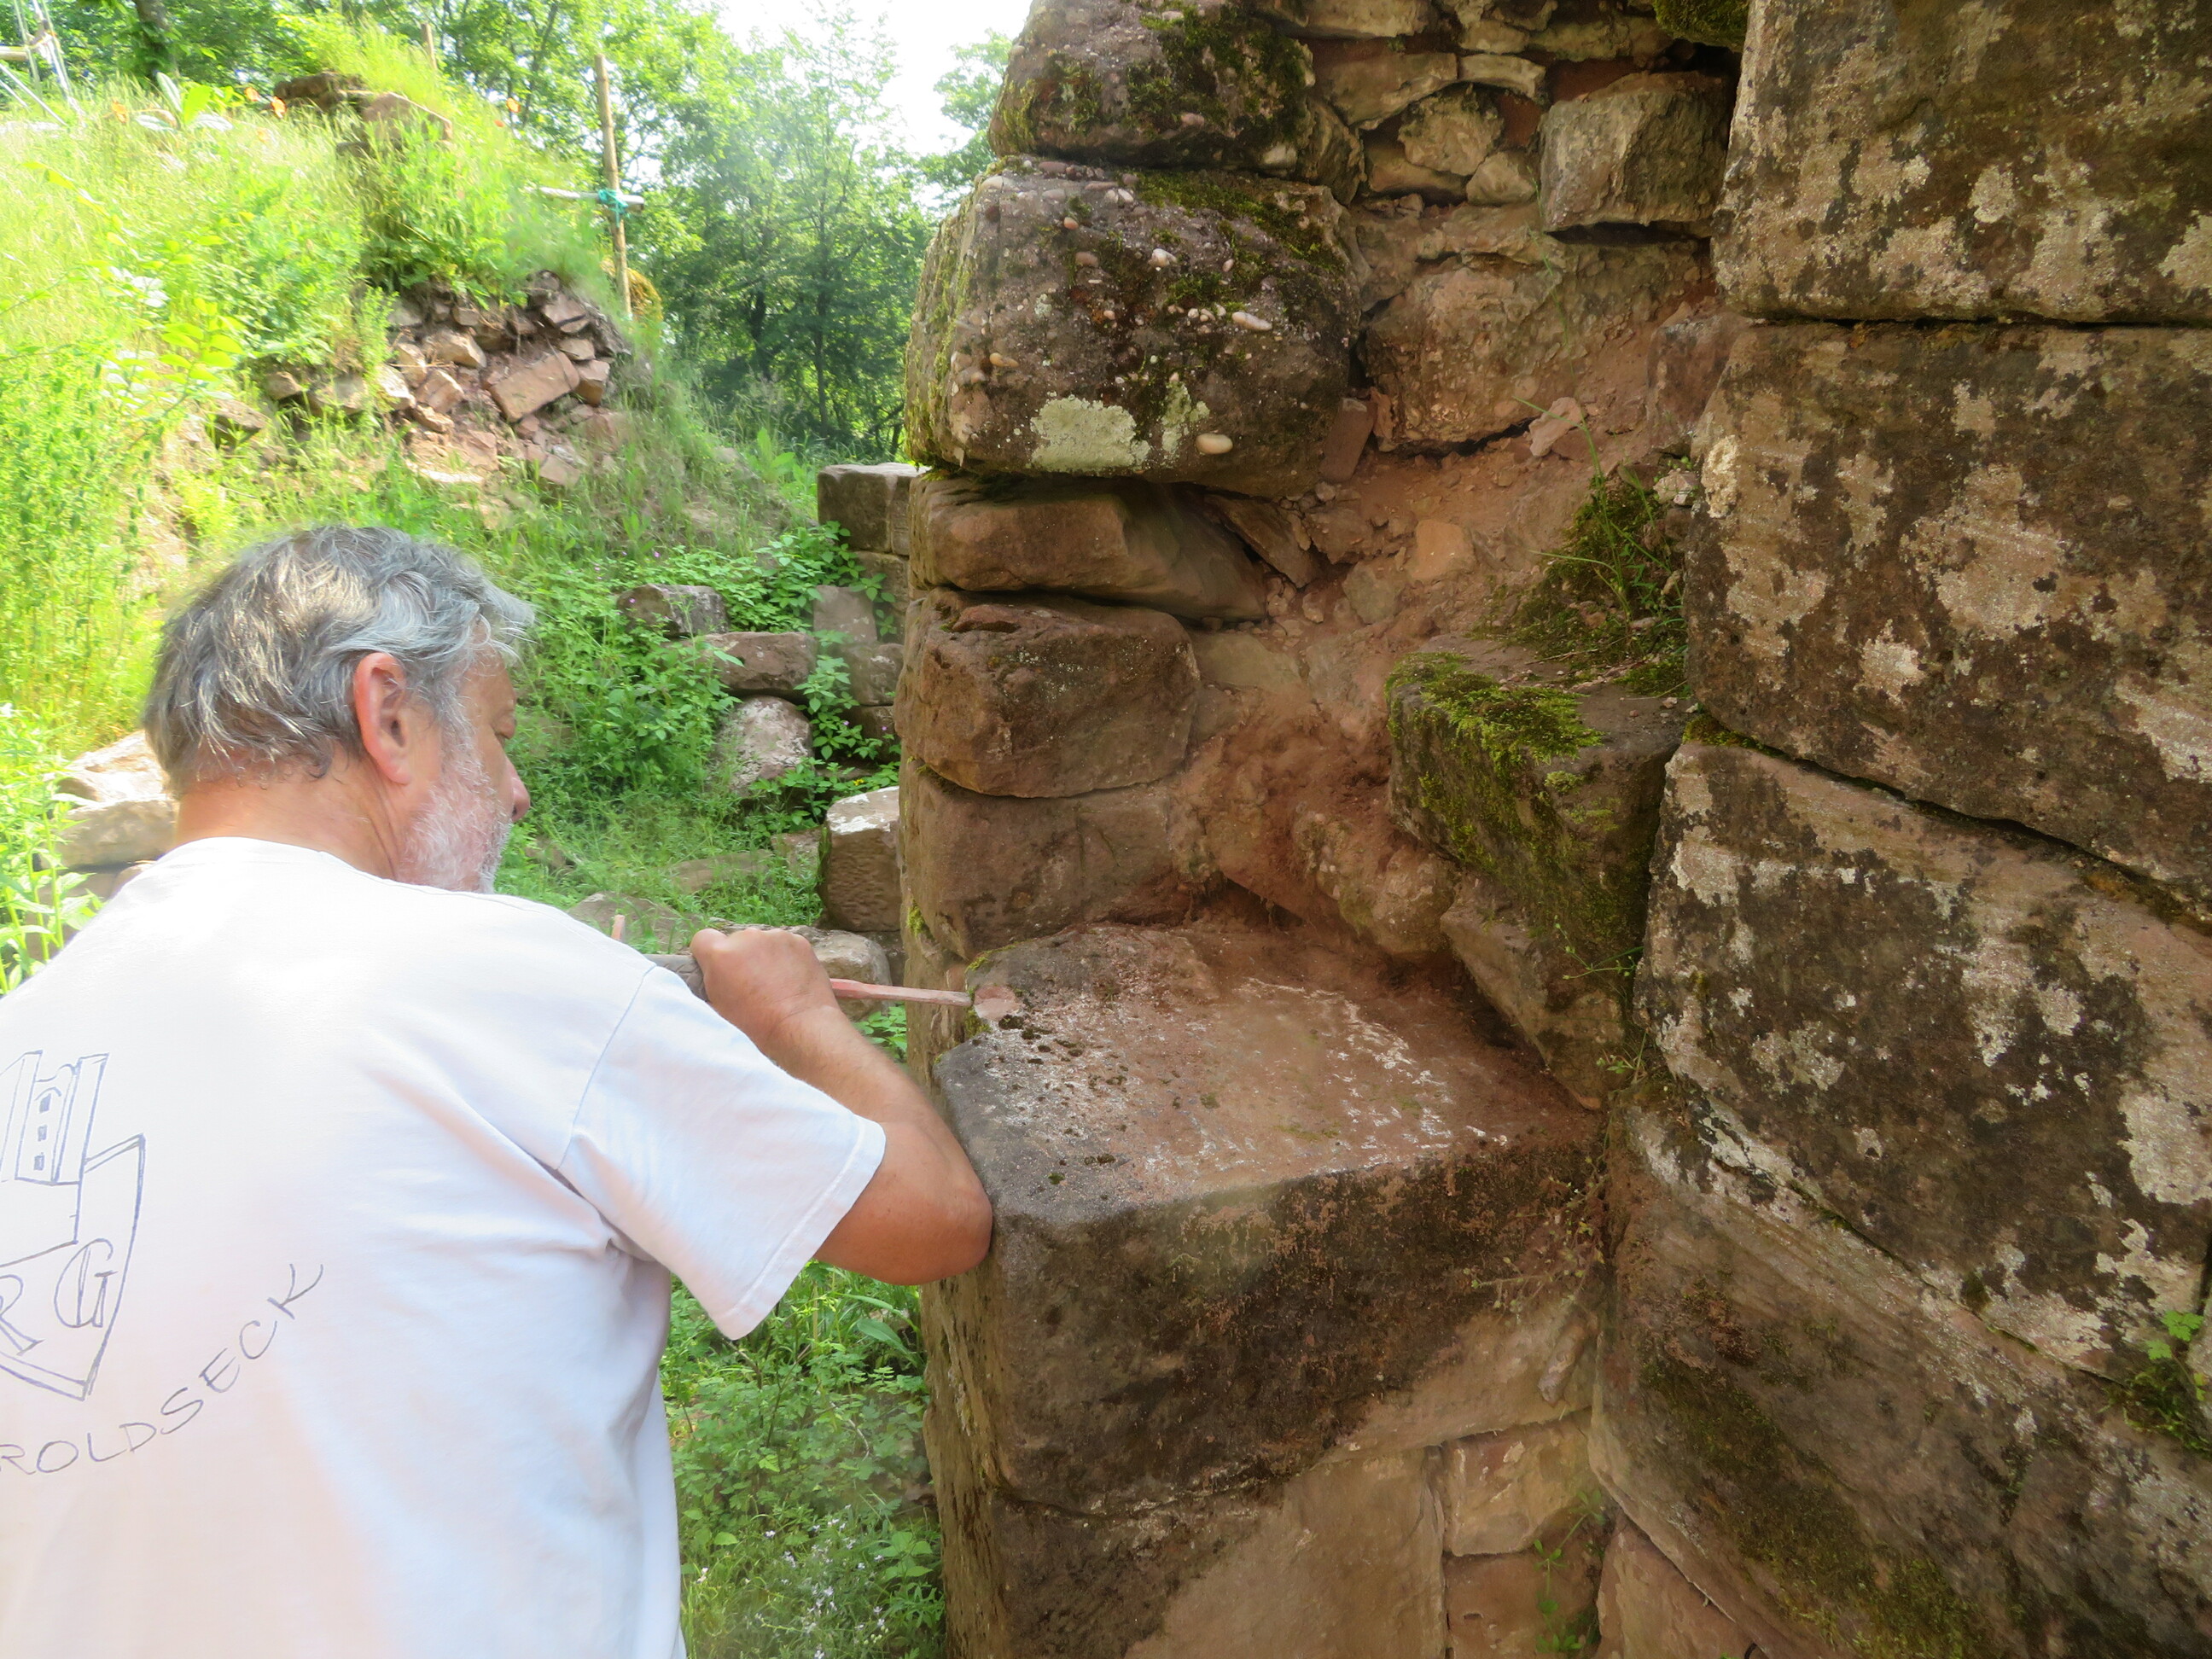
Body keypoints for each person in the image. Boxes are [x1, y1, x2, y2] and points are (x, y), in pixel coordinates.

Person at [0, 527, 990, 1658]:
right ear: (387, 713)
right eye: (498, 733)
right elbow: (932, 1219)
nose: (516, 795)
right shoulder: (508, 975)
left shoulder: (25, 1030)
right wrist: (797, 1015)